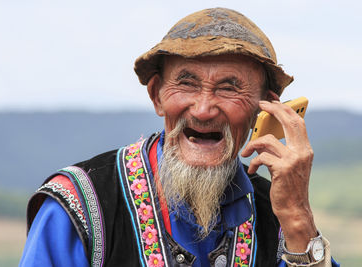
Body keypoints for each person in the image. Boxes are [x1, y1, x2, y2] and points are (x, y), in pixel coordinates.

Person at [20, 8, 339, 267]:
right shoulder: (82, 206)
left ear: (264, 110)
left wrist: (299, 218)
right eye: (186, 84)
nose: (202, 110)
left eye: (228, 88)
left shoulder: (279, 215)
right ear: (157, 96)